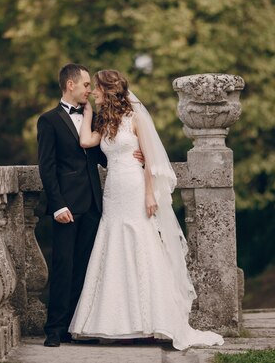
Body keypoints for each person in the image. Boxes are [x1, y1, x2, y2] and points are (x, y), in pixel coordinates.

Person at [68, 70, 224, 350]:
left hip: (136, 186)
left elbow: (150, 160)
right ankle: (117, 322)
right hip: (114, 190)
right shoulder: (106, 120)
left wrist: (150, 193)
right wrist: (89, 111)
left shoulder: (136, 117)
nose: (92, 92)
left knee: (143, 244)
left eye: (97, 89)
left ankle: (152, 319)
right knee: (114, 245)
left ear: (109, 89)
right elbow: (85, 142)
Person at [37, 64, 143, 347]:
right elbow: (46, 168)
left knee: (86, 268)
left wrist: (138, 156)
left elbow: (106, 155)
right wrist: (57, 205)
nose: (89, 89)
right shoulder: (48, 121)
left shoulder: (96, 118)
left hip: (97, 205)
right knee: (62, 265)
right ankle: (54, 329)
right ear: (70, 85)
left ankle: (75, 326)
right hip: (67, 207)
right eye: (85, 84)